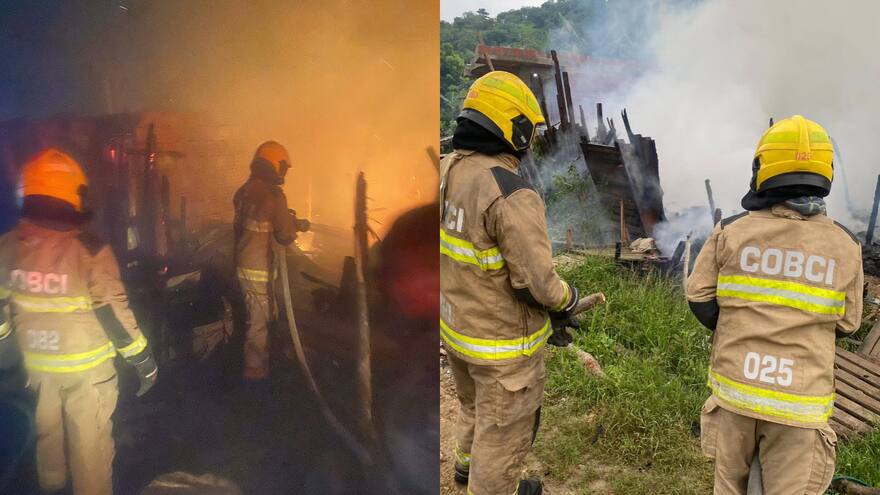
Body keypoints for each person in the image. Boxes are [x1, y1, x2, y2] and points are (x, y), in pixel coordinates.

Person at [687, 115, 863, 495]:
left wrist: (739, 323)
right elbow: (849, 323)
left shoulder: (731, 230)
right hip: (799, 409)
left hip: (735, 394)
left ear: (762, 168)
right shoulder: (846, 246)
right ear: (826, 172)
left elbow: (699, 297)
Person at [439, 71, 580, 495]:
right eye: (528, 130)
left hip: (457, 330)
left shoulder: (446, 169)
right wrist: (567, 298)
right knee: (501, 436)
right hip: (502, 348)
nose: (531, 140)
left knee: (472, 408)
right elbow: (538, 284)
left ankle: (464, 470)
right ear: (511, 128)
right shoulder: (510, 191)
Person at [0, 148, 157, 495]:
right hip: (87, 375)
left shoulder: (8, 245)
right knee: (90, 450)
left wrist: (6, 352)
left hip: (36, 370)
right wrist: (143, 359)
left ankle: (52, 489)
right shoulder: (89, 248)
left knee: (48, 443)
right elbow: (112, 312)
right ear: (74, 195)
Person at [233, 141, 309, 381]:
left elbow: (263, 221)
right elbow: (284, 236)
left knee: (261, 316)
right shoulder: (275, 195)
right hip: (260, 269)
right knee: (260, 321)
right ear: (275, 164)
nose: (284, 173)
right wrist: (295, 225)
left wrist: (291, 220)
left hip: (243, 265)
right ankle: (255, 374)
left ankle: (267, 361)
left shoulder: (246, 190)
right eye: (283, 167)